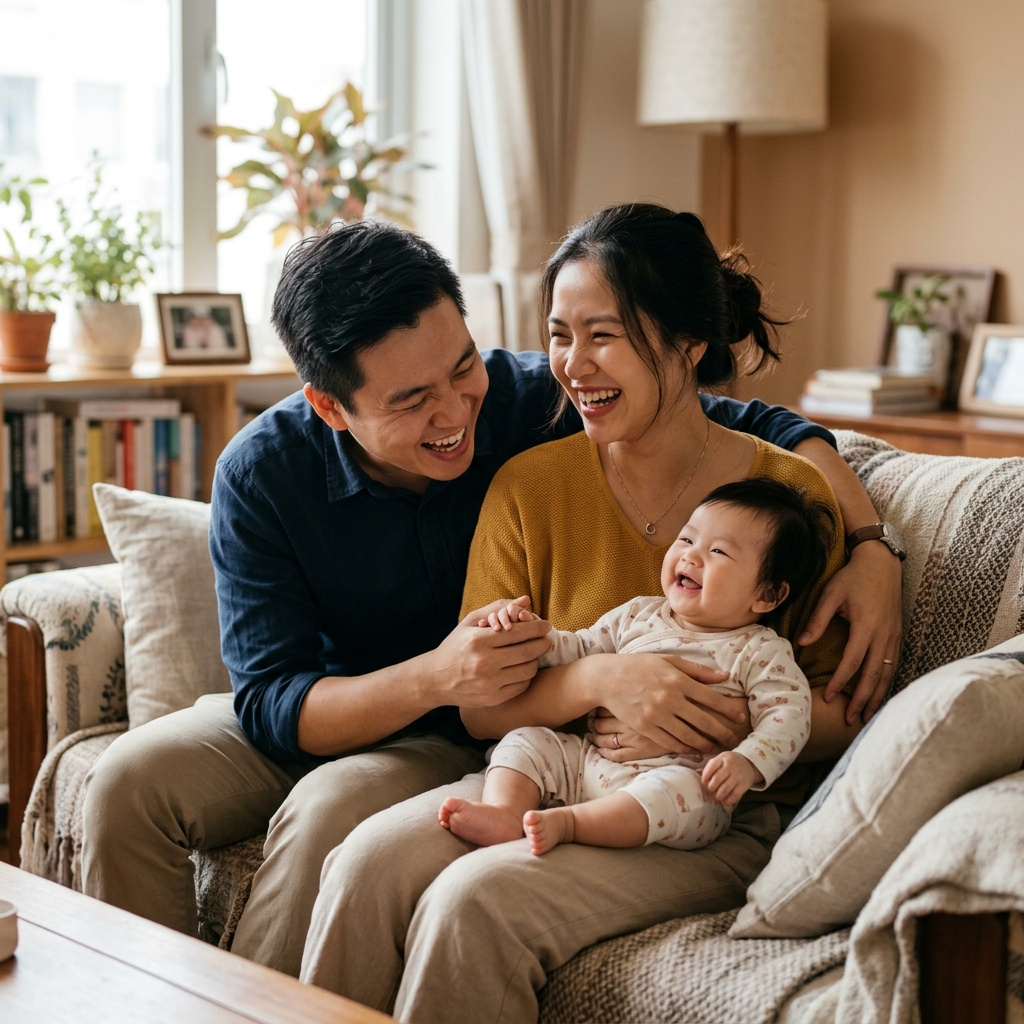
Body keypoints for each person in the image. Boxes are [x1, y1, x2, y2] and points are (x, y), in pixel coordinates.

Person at [79, 215, 900, 983]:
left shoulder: (527, 398)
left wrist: (871, 547)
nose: (453, 412)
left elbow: (727, 418)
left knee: (334, 813)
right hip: (354, 702)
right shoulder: (263, 472)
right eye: (410, 401)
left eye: (462, 366)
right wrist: (440, 676)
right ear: (329, 406)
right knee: (127, 782)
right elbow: (272, 702)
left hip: (478, 729)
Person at [297, 205, 903, 1022]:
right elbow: (480, 706)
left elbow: (848, 712)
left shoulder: (786, 499)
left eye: (603, 335)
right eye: (558, 335)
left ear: (690, 343)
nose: (573, 365)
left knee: (472, 902)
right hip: (558, 770)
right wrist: (605, 682)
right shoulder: (528, 485)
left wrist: (716, 720)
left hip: (703, 815)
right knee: (367, 861)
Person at [439, 477, 834, 857]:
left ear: (767, 595)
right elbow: (578, 647)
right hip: (593, 763)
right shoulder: (638, 615)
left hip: (678, 783)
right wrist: (532, 635)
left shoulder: (759, 650)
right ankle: (506, 812)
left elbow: (789, 716)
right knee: (527, 741)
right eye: (687, 538)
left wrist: (748, 761)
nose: (690, 555)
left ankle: (571, 824)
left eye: (718, 552)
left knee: (684, 793)